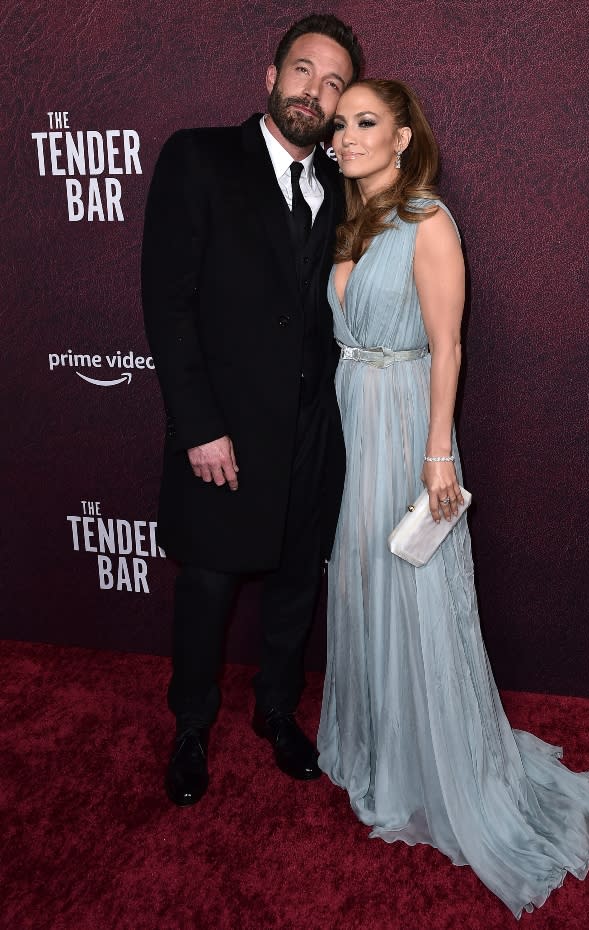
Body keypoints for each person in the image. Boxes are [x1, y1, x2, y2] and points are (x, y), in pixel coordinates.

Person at [316, 79, 589, 918]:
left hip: (406, 426)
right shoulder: (350, 225)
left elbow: (448, 344)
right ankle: (383, 748)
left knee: (416, 585)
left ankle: (439, 766)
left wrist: (438, 453)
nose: (345, 137)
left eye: (366, 123)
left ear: (403, 140)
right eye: (339, 126)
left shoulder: (428, 221)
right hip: (356, 424)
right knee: (368, 581)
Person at [141, 14, 363, 806]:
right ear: (269, 76)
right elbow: (168, 305)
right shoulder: (198, 158)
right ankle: (191, 725)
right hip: (223, 431)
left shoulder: (342, 185)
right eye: (304, 70)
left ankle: (277, 710)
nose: (316, 89)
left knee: (298, 581)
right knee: (206, 585)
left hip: (313, 432)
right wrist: (197, 424)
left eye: (335, 81)